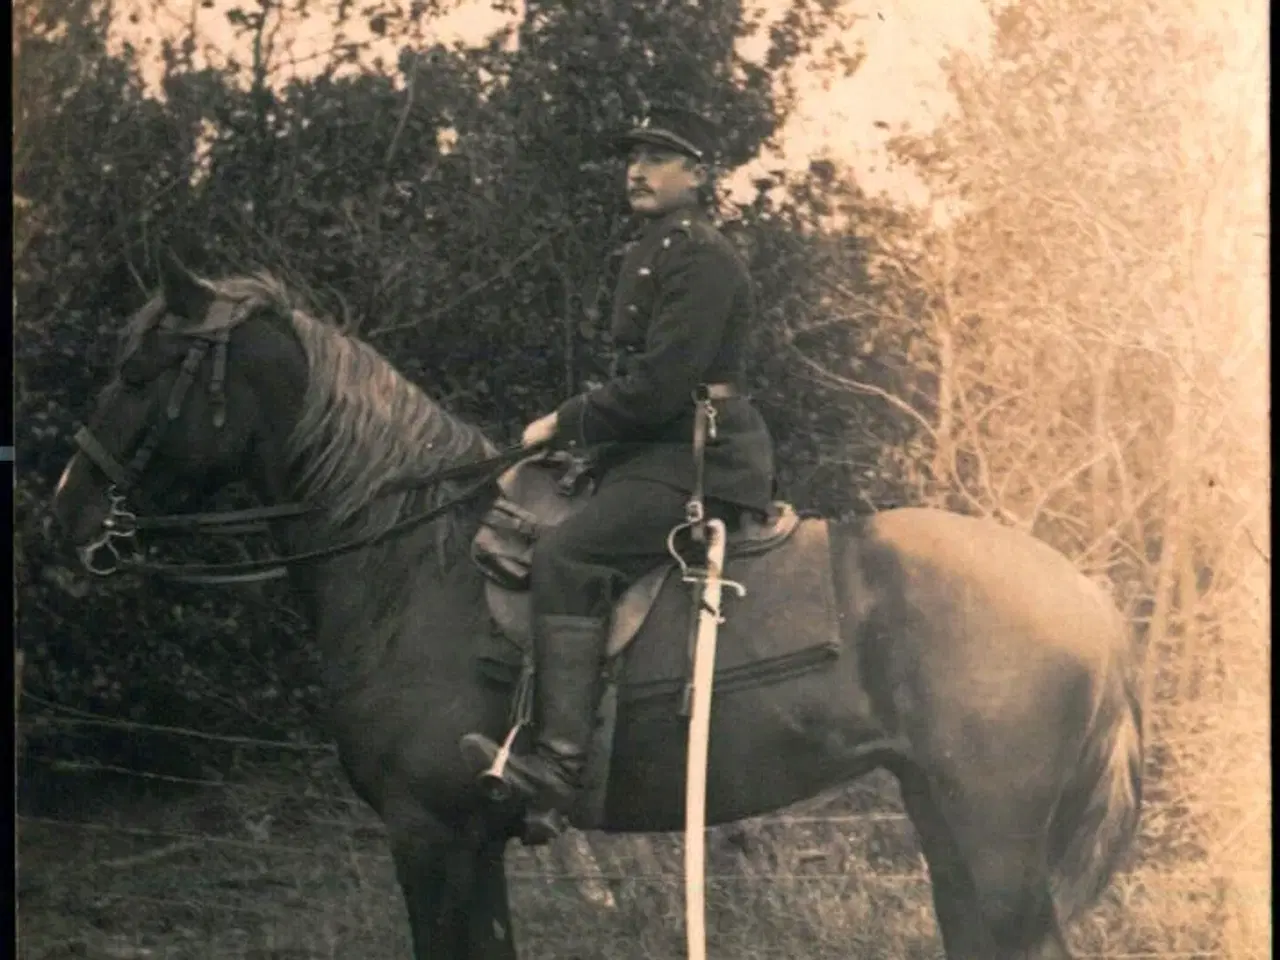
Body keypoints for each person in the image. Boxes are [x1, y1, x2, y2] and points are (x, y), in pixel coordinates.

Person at [460, 105, 776, 819]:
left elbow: (661, 386)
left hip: (700, 455)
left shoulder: (699, 254)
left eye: (659, 157)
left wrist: (565, 421)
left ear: (698, 174)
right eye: (632, 155)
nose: (637, 169)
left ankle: (560, 766)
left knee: (570, 555)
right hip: (650, 448)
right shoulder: (650, 248)